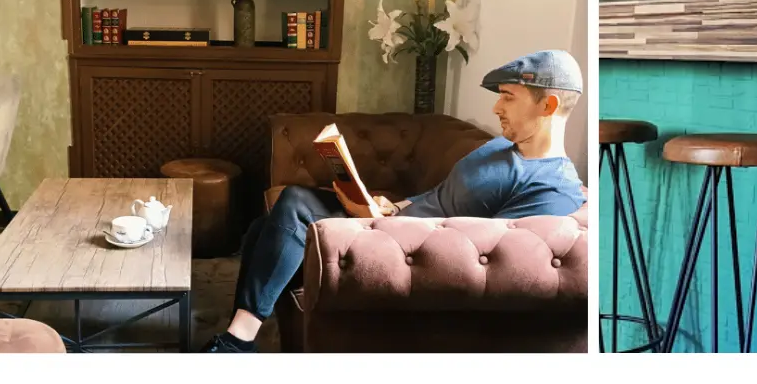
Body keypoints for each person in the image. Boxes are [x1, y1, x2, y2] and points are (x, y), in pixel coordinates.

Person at [200, 49, 586, 353]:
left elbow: (492, 256)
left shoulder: (553, 187)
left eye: (508, 97)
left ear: (548, 106)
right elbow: (440, 197)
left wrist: (392, 226)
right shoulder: (501, 146)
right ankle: (239, 334)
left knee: (296, 202)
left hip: (407, 251)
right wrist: (392, 207)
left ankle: (239, 339)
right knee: (262, 225)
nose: (496, 108)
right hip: (393, 224)